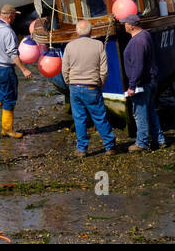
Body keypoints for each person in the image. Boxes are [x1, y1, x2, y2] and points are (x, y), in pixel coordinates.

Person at [61, 19, 116, 157]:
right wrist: (101, 82)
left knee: (79, 118)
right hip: (91, 86)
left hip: (74, 86)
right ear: (91, 31)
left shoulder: (70, 46)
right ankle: (110, 146)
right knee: (99, 117)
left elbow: (64, 69)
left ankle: (82, 149)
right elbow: (104, 69)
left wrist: (69, 82)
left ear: (77, 31)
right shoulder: (98, 45)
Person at [0, 5, 32, 138]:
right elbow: (13, 54)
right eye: (14, 16)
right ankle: (7, 129)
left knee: (3, 92)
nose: (15, 18)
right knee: (10, 97)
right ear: (9, 16)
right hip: (4, 69)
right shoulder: (8, 32)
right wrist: (24, 69)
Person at [121, 15, 164, 152]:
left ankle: (142, 143)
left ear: (131, 26)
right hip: (151, 80)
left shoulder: (137, 42)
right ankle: (159, 139)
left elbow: (138, 66)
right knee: (151, 111)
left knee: (140, 114)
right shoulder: (146, 34)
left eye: (126, 23)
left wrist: (132, 86)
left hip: (142, 83)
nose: (124, 26)